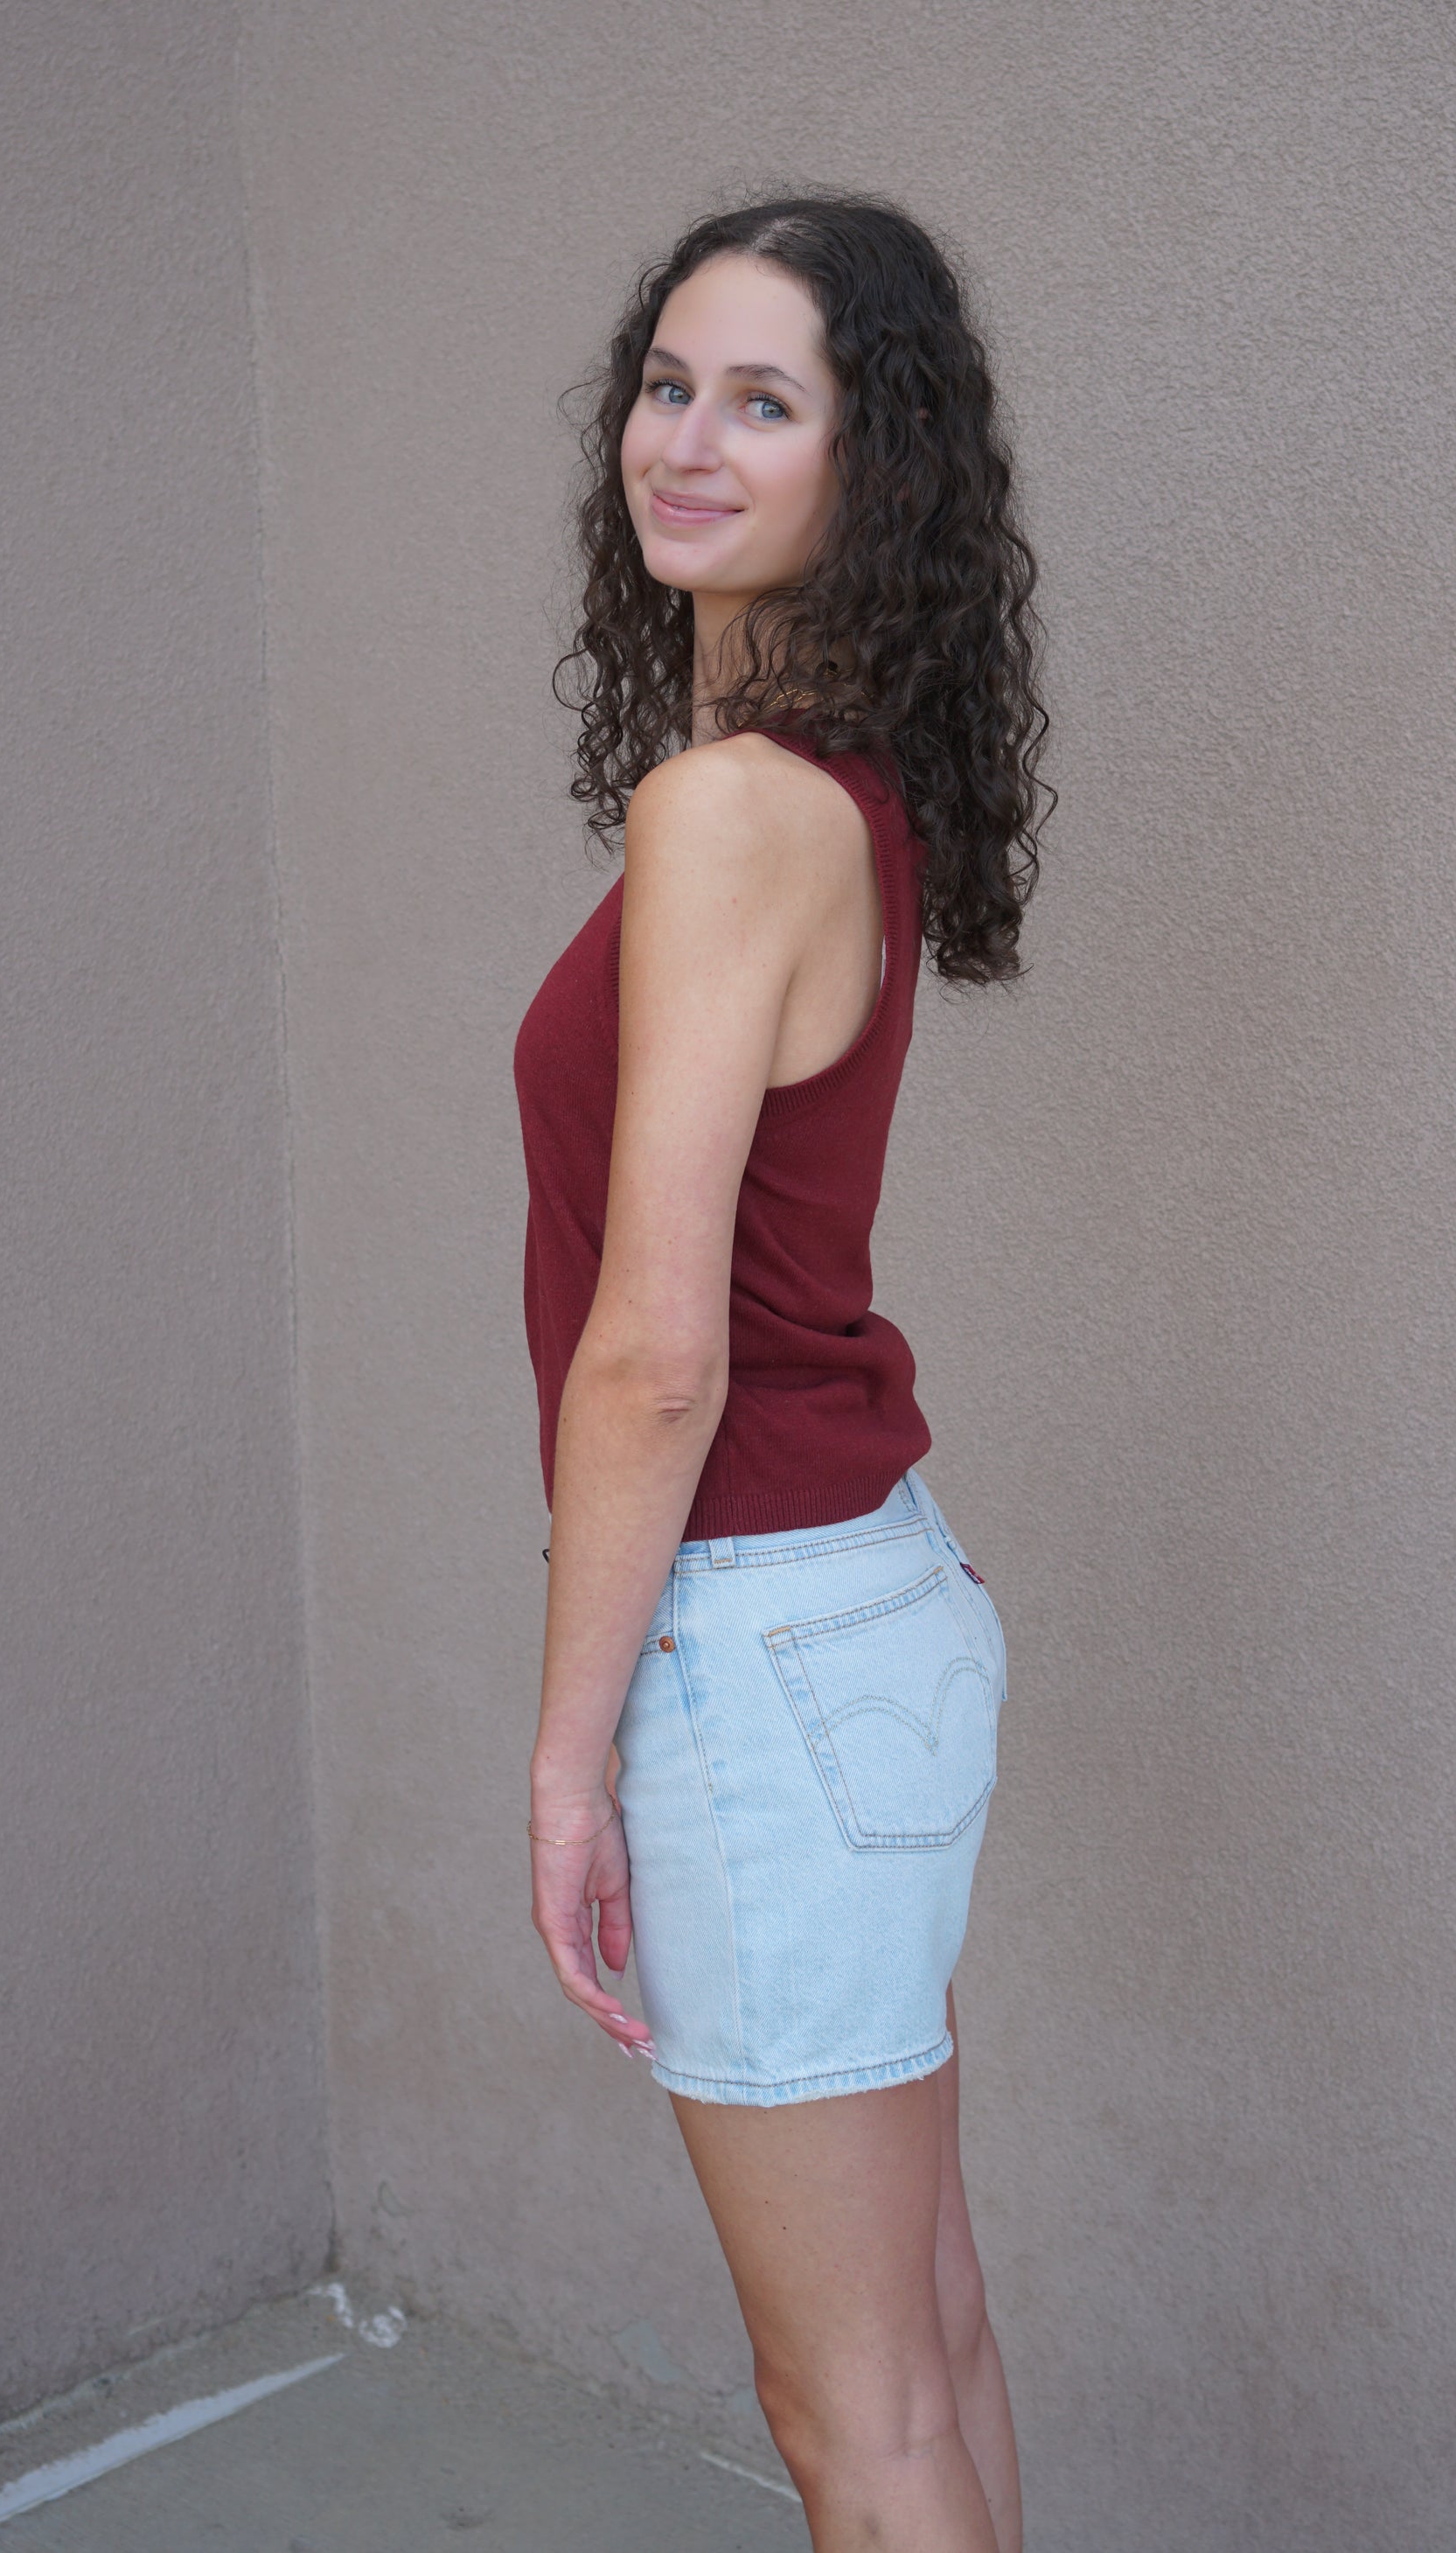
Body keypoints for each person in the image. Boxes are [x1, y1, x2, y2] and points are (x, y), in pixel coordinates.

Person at [513, 194, 1048, 2553]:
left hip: (757, 1649)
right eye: (668, 385)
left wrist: (570, 1756)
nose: (688, 443)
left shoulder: (728, 810)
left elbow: (654, 1354)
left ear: (871, 462)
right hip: (872, 1612)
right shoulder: (831, 786)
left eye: (764, 401)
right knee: (924, 2353)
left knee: (855, 2417)